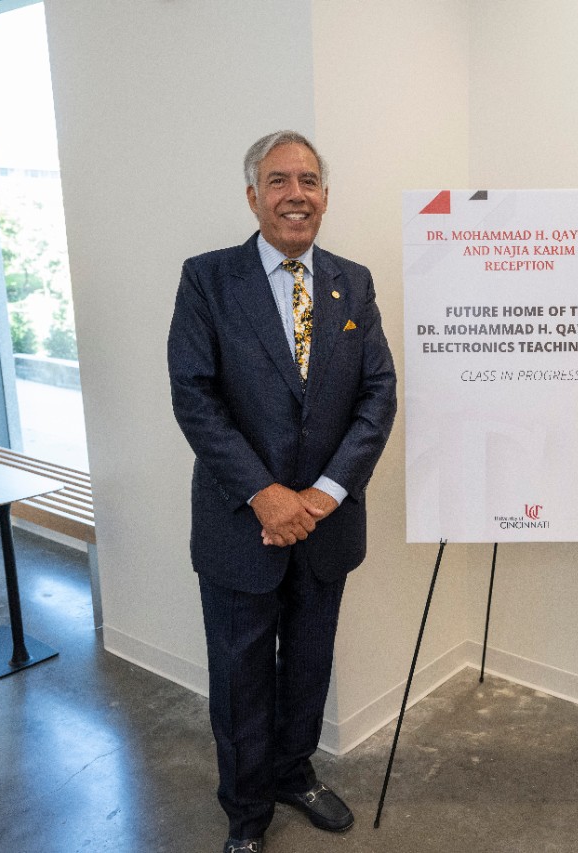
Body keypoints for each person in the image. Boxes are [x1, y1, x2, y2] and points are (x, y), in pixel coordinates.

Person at [168, 131, 397, 853]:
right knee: (240, 676)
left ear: (325, 195)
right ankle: (245, 811)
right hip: (242, 524)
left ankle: (294, 772)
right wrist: (265, 494)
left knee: (308, 662)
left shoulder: (353, 281)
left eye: (309, 181)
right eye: (278, 181)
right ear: (252, 196)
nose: (295, 194)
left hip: (326, 525)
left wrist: (324, 494)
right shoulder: (208, 279)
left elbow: (378, 394)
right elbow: (194, 396)